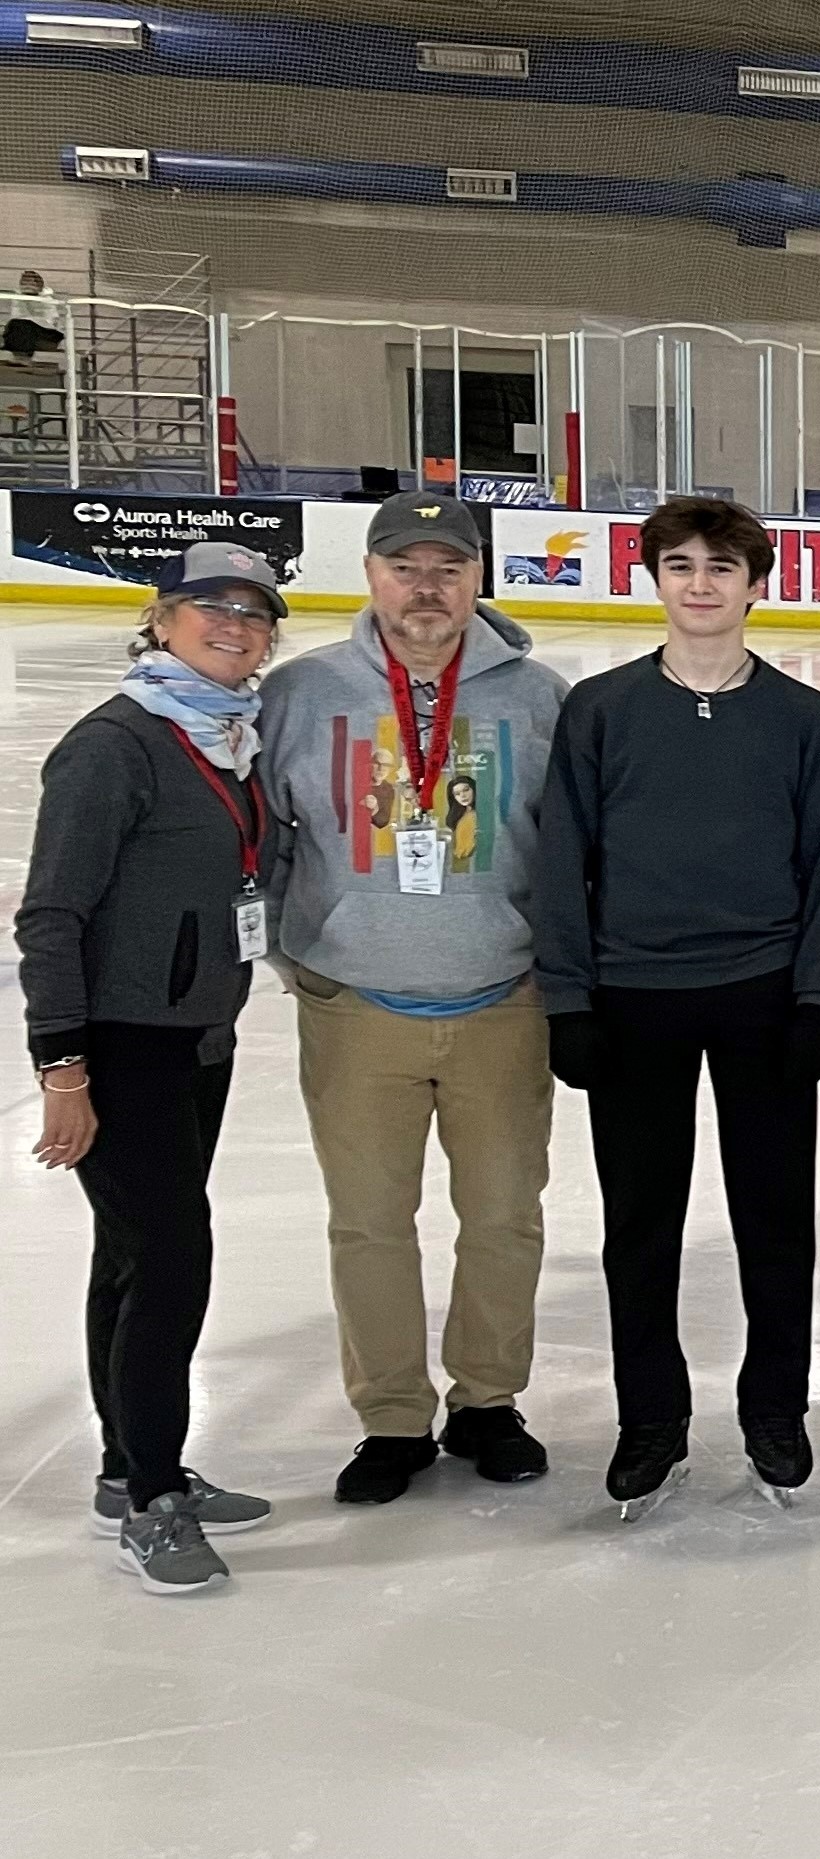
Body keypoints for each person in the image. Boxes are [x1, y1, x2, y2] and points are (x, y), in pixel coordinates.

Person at [534, 495, 820, 1517]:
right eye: (681, 565)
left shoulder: (804, 720)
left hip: (761, 995)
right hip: (634, 997)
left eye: (723, 566)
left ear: (757, 583)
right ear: (656, 580)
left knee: (774, 1216)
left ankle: (775, 1406)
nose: (703, 583)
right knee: (641, 1221)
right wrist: (568, 996)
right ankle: (651, 1416)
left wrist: (818, 997)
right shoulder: (600, 710)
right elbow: (561, 859)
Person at [258, 491, 571, 1504]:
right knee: (369, 1222)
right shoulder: (302, 693)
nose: (425, 587)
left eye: (448, 567)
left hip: (501, 1001)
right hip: (356, 1007)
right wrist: (303, 954)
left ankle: (486, 1400)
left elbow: (574, 851)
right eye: (405, 566)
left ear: (479, 577)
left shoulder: (538, 697)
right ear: (372, 573)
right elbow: (261, 838)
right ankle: (391, 1415)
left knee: (502, 1216)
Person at [20, 543, 288, 1592]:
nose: (235, 624)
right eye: (211, 606)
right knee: (172, 1259)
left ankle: (125, 1463)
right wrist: (63, 1065)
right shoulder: (116, 746)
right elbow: (51, 913)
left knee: (131, 1256)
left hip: (195, 1037)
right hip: (122, 1045)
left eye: (255, 612)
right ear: (163, 618)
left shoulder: (228, 740)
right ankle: (154, 1495)